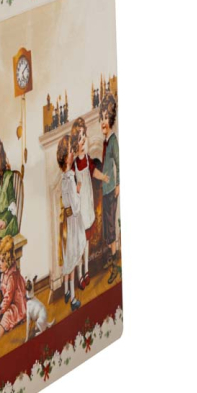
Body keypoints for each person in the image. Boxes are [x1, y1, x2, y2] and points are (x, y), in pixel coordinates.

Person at [70, 117, 109, 289]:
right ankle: (79, 274)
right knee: (80, 245)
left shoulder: (87, 159)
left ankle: (86, 270)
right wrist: (75, 188)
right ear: (75, 143)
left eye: (83, 135)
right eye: (79, 138)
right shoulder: (74, 165)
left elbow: (94, 172)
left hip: (87, 208)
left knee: (86, 243)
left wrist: (104, 177)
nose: (83, 140)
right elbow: (70, 187)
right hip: (79, 210)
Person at [57, 135, 84, 311]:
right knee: (72, 260)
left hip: (66, 223)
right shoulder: (70, 178)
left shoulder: (63, 178)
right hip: (72, 223)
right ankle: (73, 298)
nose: (73, 153)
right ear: (65, 157)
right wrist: (79, 191)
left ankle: (66, 290)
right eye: (70, 152)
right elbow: (75, 206)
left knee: (67, 257)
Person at [0, 236, 27, 346]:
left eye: (2, 261)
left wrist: (1, 309)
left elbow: (8, 297)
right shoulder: (5, 273)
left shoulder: (12, 276)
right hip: (9, 302)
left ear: (8, 261)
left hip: (17, 305)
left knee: (7, 315)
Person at [100, 94, 121, 284]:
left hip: (111, 190)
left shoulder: (113, 141)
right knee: (107, 228)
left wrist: (118, 184)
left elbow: (119, 163)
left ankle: (115, 265)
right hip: (104, 190)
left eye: (106, 118)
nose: (103, 122)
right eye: (101, 118)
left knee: (112, 229)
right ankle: (110, 258)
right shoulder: (105, 141)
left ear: (112, 119)